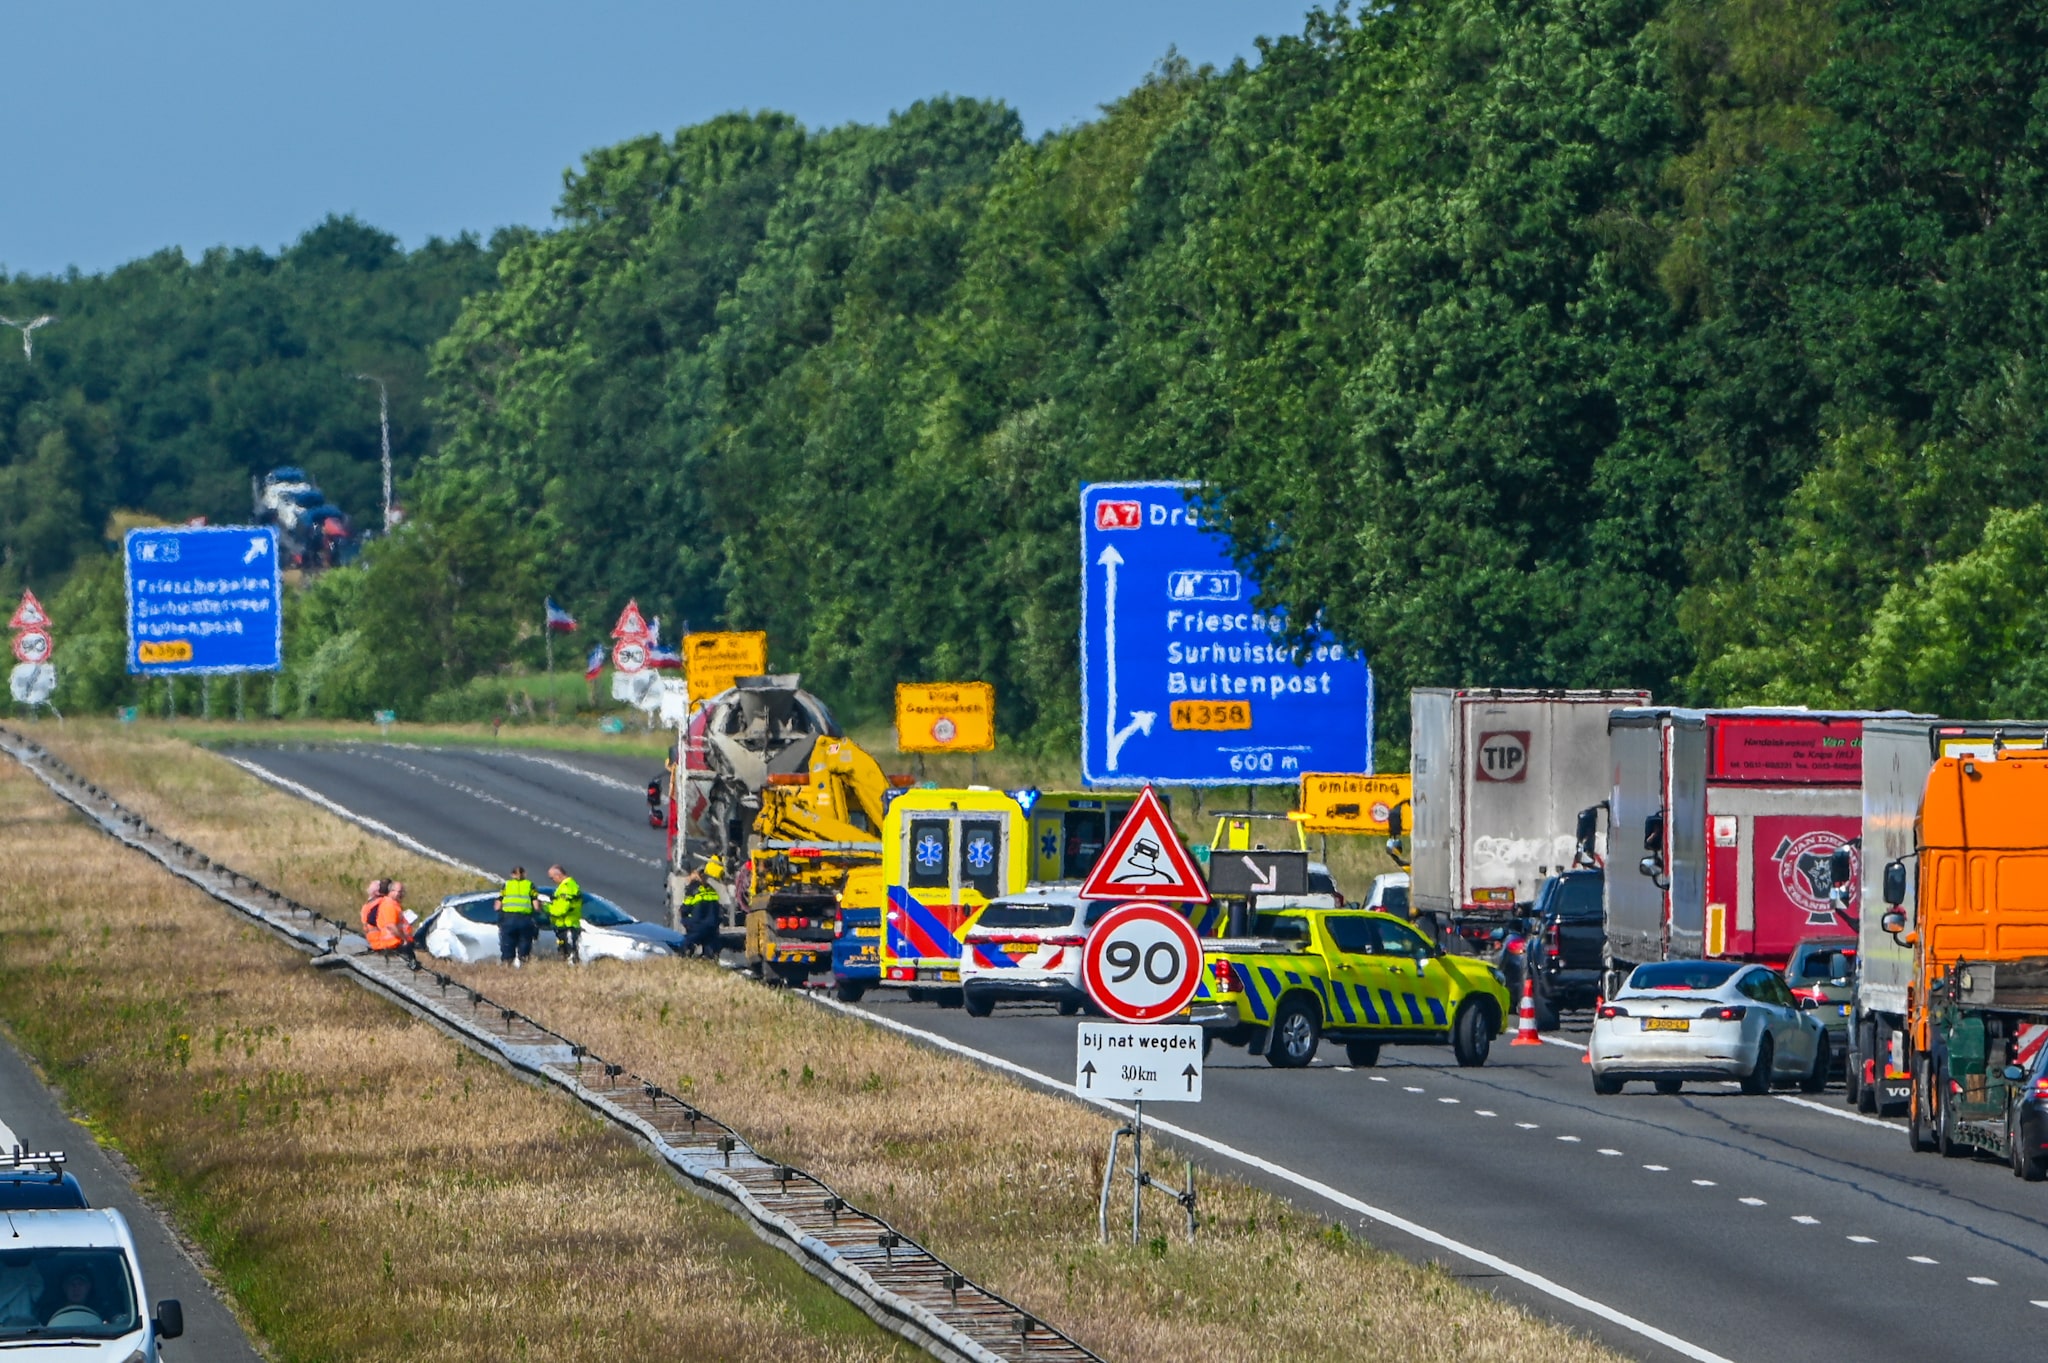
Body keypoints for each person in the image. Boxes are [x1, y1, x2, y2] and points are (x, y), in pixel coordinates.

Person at [361, 879, 415, 961]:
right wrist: (404, 939)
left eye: (402, 892)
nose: (402, 894)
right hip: (393, 943)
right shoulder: (389, 905)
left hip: (393, 942)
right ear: (391, 891)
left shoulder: (389, 904)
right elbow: (391, 925)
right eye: (400, 892)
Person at [680, 857, 724, 958]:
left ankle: (687, 952)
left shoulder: (692, 889)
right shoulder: (711, 890)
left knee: (684, 942)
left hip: (698, 926)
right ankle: (709, 955)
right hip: (712, 928)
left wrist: (686, 921)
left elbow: (685, 909)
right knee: (710, 948)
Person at [496, 866, 538, 968]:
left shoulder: (506, 885)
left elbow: (497, 906)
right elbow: (536, 906)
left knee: (507, 943)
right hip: (525, 919)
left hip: (509, 919)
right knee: (525, 942)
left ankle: (507, 963)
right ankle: (523, 962)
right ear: (525, 874)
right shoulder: (530, 885)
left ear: (512, 875)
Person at [545, 864, 583, 964]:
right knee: (564, 954)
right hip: (563, 926)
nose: (552, 880)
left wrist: (545, 907)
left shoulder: (566, 887)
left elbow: (561, 910)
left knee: (570, 955)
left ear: (559, 875)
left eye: (552, 878)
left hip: (568, 925)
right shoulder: (566, 886)